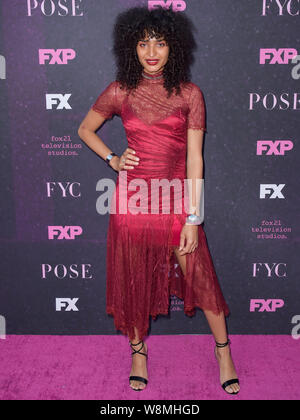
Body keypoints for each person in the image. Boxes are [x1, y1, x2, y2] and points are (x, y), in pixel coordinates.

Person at [78, 6, 240, 395]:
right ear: (131, 47)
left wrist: (192, 217)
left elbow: (195, 158)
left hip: (175, 202)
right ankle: (138, 353)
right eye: (144, 42)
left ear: (174, 47)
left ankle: (224, 352)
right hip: (132, 202)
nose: (152, 51)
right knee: (132, 283)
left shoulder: (189, 94)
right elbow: (85, 129)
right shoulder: (120, 90)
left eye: (161, 42)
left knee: (201, 279)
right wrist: (113, 159)